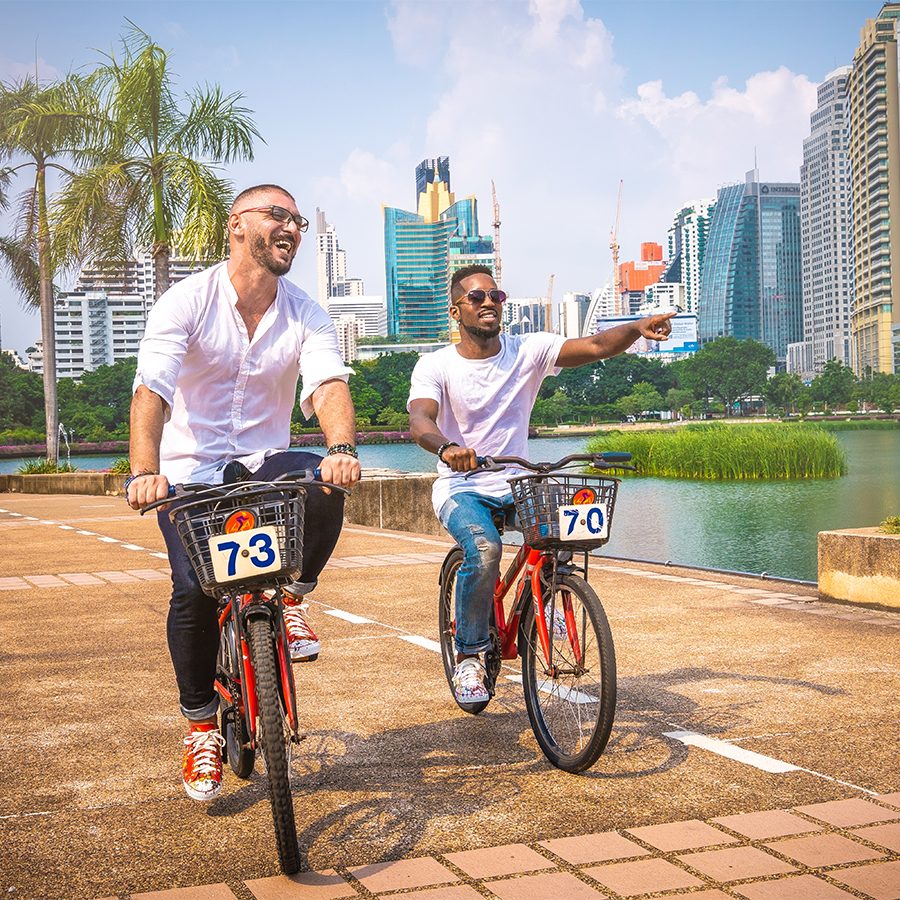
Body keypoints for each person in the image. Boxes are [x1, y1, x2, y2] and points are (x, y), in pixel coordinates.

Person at [127, 184, 361, 801]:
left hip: (261, 462)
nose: (291, 227)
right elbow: (153, 386)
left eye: (298, 220)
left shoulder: (305, 310)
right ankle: (201, 724)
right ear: (236, 225)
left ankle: (292, 595)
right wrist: (144, 470)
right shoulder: (187, 301)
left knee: (320, 483)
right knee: (192, 591)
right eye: (276, 215)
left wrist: (340, 448)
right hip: (188, 470)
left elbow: (328, 381)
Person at [407, 264, 674, 705]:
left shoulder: (527, 349)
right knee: (486, 549)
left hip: (517, 481)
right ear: (456, 310)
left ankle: (551, 598)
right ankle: (470, 654)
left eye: (497, 296)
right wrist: (446, 446)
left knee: (564, 528)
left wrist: (637, 328)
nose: (489, 303)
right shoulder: (436, 364)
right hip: (461, 487)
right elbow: (420, 418)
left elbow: (593, 344)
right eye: (477, 298)